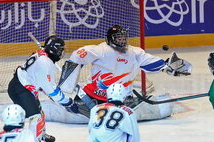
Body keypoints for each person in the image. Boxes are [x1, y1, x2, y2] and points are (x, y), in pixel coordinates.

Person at [61, 24, 192, 116]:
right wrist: (68, 82)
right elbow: (78, 55)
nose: (122, 41)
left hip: (120, 97)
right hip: (93, 96)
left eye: (124, 38)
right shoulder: (101, 50)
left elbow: (149, 62)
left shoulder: (134, 52)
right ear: (110, 39)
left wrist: (166, 65)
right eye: (119, 38)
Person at [7, 35, 78, 142]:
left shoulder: (42, 56)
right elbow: (49, 88)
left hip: (24, 86)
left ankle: (41, 135)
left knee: (39, 112)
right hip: (21, 89)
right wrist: (67, 102)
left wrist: (53, 92)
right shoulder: (45, 63)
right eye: (60, 49)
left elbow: (44, 84)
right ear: (54, 50)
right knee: (36, 117)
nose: (62, 52)